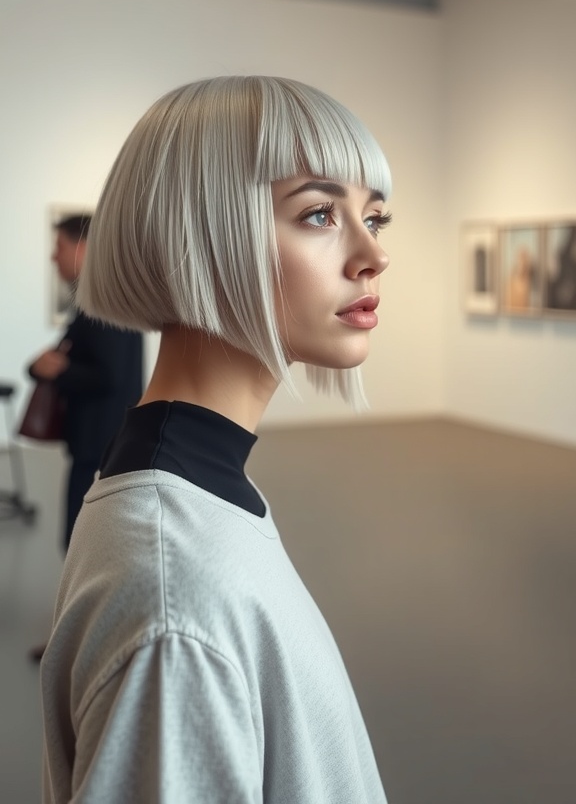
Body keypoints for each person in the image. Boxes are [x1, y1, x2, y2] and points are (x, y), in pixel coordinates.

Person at [40, 76, 392, 804]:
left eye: (377, 217)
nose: (371, 255)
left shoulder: (193, 498)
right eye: (320, 213)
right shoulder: (177, 601)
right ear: (200, 232)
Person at [29, 214, 144, 551]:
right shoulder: (102, 299)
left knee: (84, 542)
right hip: (101, 440)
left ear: (83, 248)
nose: (54, 256)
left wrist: (59, 369)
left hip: (100, 443)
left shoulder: (104, 303)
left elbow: (108, 376)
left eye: (59, 247)